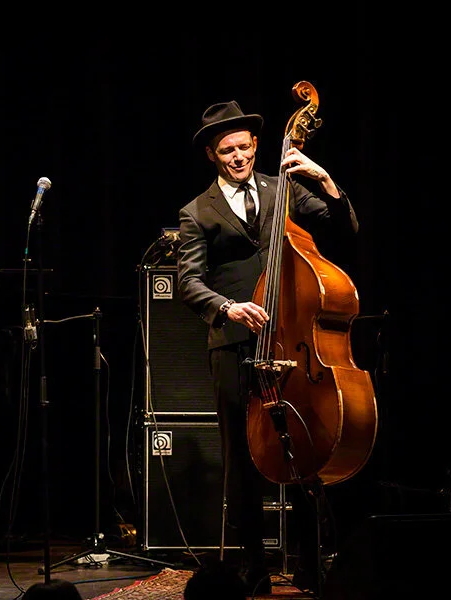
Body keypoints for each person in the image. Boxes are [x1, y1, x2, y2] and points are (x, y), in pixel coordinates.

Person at [177, 100, 360, 594]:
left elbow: (344, 227)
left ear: (256, 145)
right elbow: (188, 282)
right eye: (227, 151)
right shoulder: (196, 212)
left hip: (292, 342)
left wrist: (323, 178)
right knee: (243, 459)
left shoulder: (285, 190)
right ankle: (253, 568)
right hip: (235, 344)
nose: (237, 157)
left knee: (303, 451)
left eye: (243, 147)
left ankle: (309, 563)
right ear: (213, 156)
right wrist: (228, 307)